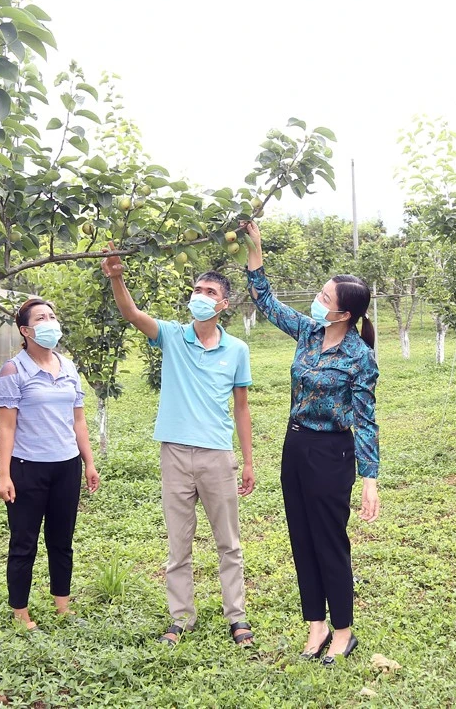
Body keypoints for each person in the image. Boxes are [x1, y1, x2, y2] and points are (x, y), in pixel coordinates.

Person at [101, 246, 257, 647]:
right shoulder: (172, 335)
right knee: (178, 543)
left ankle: (237, 618)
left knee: (229, 542)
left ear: (223, 303)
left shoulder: (236, 350)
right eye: (196, 289)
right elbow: (132, 315)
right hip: (174, 453)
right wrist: (117, 277)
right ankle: (181, 618)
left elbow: (241, 409)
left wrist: (249, 461)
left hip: (217, 456)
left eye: (208, 291)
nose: (199, 296)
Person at [240, 220, 379, 666]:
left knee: (329, 540)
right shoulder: (308, 333)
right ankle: (315, 624)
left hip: (331, 453)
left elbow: (366, 420)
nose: (317, 303)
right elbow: (265, 300)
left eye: (324, 299)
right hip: (295, 446)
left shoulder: (359, 358)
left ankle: (343, 630)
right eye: (320, 295)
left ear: (344, 314)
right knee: (301, 536)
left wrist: (370, 479)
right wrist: (255, 248)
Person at [0, 298, 100, 631]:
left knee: (61, 539)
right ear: (26, 330)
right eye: (41, 318)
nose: (50, 322)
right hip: (28, 468)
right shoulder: (13, 370)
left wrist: (89, 462)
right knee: (24, 542)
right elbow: (6, 426)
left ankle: (62, 605)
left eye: (53, 315)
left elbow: (78, 420)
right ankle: (20, 612)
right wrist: (3, 474)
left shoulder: (68, 366)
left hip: (66, 467)